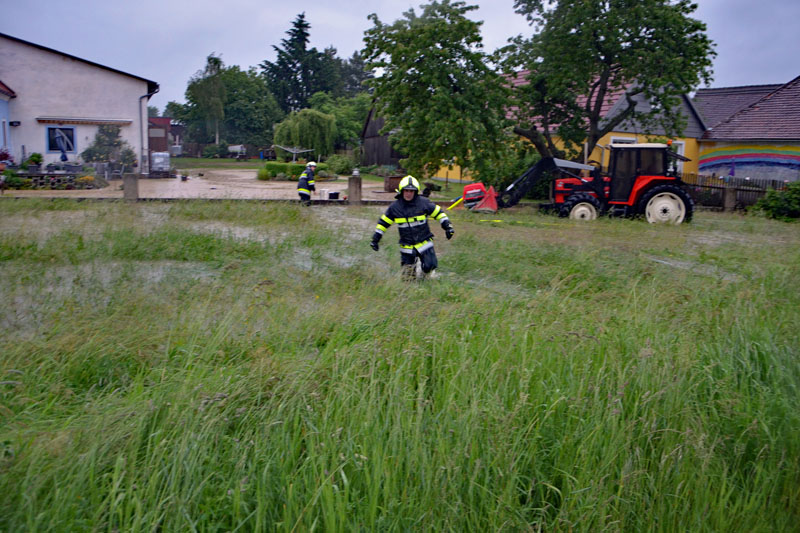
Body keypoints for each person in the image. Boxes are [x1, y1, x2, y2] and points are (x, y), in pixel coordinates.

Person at [370, 175, 454, 280]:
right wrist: (375, 239)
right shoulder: (394, 208)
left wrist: (448, 227)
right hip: (407, 247)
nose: (409, 194)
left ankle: (423, 275)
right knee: (407, 278)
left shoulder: (424, 203)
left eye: (411, 191)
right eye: (406, 191)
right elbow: (383, 223)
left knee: (430, 265)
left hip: (424, 242)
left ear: (415, 192)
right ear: (401, 191)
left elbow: (439, 213)